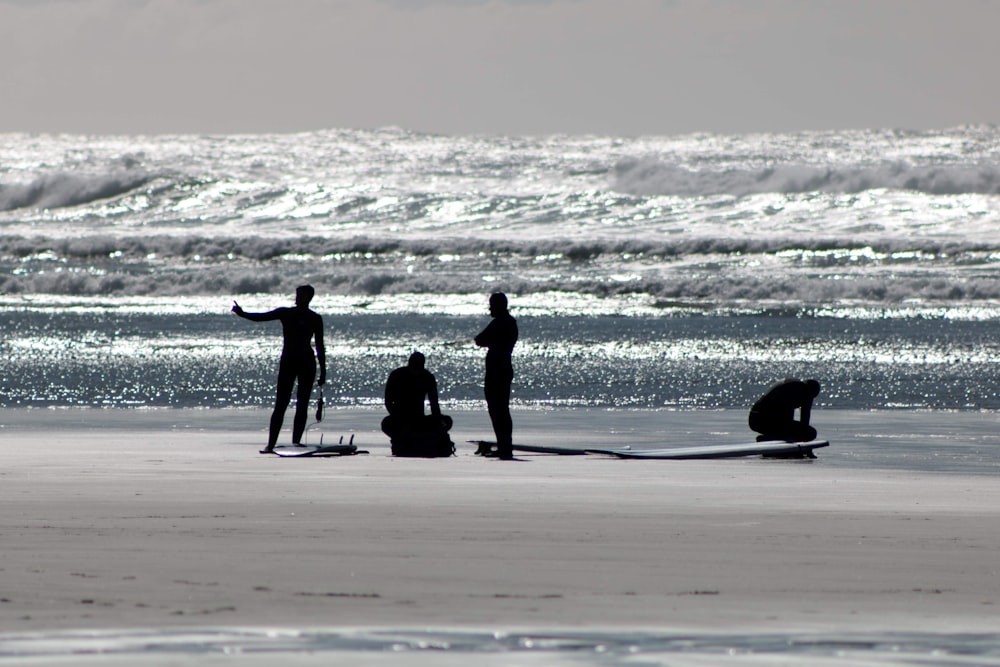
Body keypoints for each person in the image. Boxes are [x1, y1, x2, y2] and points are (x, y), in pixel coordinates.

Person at [232, 285, 326, 454]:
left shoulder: (315, 318)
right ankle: (270, 444)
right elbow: (261, 317)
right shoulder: (286, 313)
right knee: (281, 404)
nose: (297, 298)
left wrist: (323, 370)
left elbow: (320, 346)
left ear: (309, 298)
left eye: (301, 295)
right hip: (288, 362)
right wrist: (242, 313)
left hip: (307, 363)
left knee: (302, 405)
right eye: (297, 294)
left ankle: (296, 444)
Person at [381, 351, 454, 456]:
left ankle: (421, 439)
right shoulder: (397, 375)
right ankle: (403, 439)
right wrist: (397, 417)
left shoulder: (428, 377)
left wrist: (438, 421)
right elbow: (388, 401)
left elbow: (434, 404)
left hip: (420, 420)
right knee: (386, 423)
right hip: (400, 419)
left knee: (447, 421)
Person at [474, 292, 518, 459]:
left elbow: (480, 339)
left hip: (496, 371)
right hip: (504, 368)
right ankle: (505, 445)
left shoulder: (498, 323)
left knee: (497, 410)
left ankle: (504, 447)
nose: (489, 308)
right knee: (501, 410)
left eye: (492, 305)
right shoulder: (510, 323)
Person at [749, 378, 821, 442]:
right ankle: (767, 439)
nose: (809, 401)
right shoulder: (797, 390)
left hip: (756, 419)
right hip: (761, 421)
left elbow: (804, 421)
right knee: (809, 433)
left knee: (806, 432)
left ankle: (771, 438)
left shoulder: (796, 386)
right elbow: (801, 419)